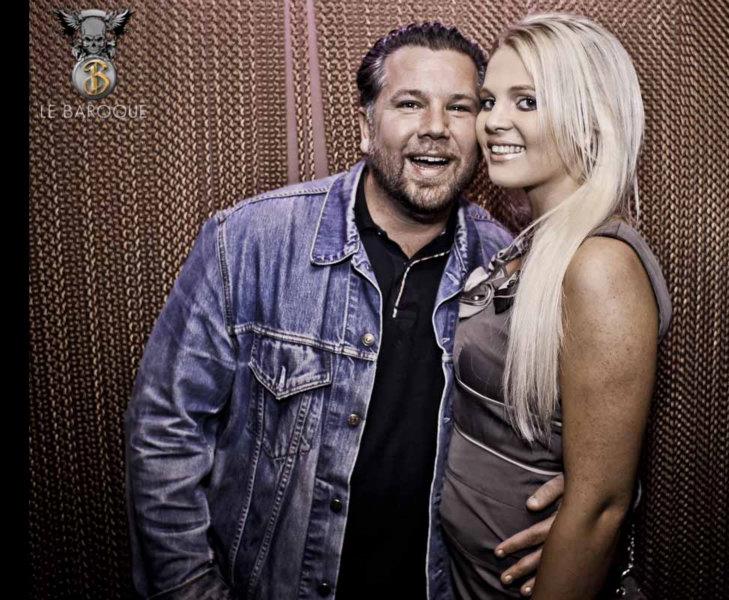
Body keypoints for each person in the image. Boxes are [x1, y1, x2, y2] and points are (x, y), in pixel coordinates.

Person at [125, 22, 563, 600]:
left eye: (459, 107)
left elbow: (562, 426)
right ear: (365, 126)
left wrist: (573, 506)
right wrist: (189, 588)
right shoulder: (251, 241)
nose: (436, 127)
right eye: (410, 103)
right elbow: (164, 431)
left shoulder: (509, 268)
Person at [438, 13, 673, 599]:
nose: (493, 121)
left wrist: (583, 517)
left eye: (527, 101)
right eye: (489, 100)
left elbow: (600, 507)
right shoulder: (529, 246)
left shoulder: (600, 265)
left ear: (589, 120)